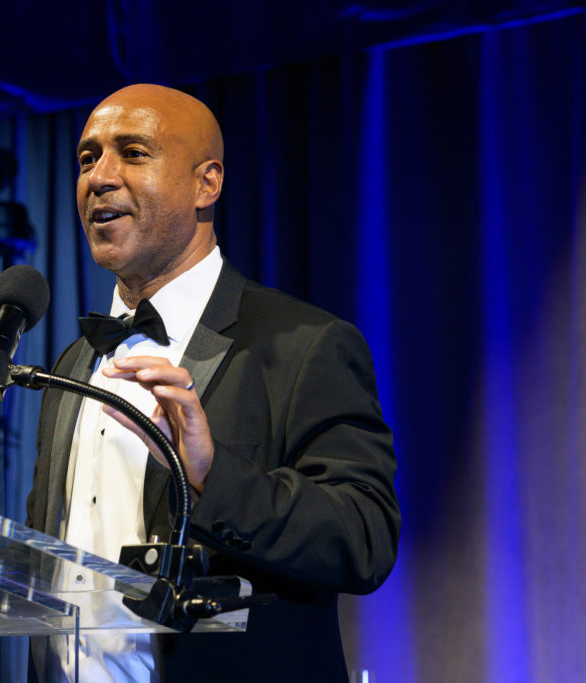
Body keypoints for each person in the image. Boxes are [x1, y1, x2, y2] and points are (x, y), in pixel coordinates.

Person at [24, 83, 401, 682]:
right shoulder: (73, 366)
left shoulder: (305, 345)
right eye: (88, 156)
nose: (99, 176)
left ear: (208, 183)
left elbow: (364, 539)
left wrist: (209, 473)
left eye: (133, 152)